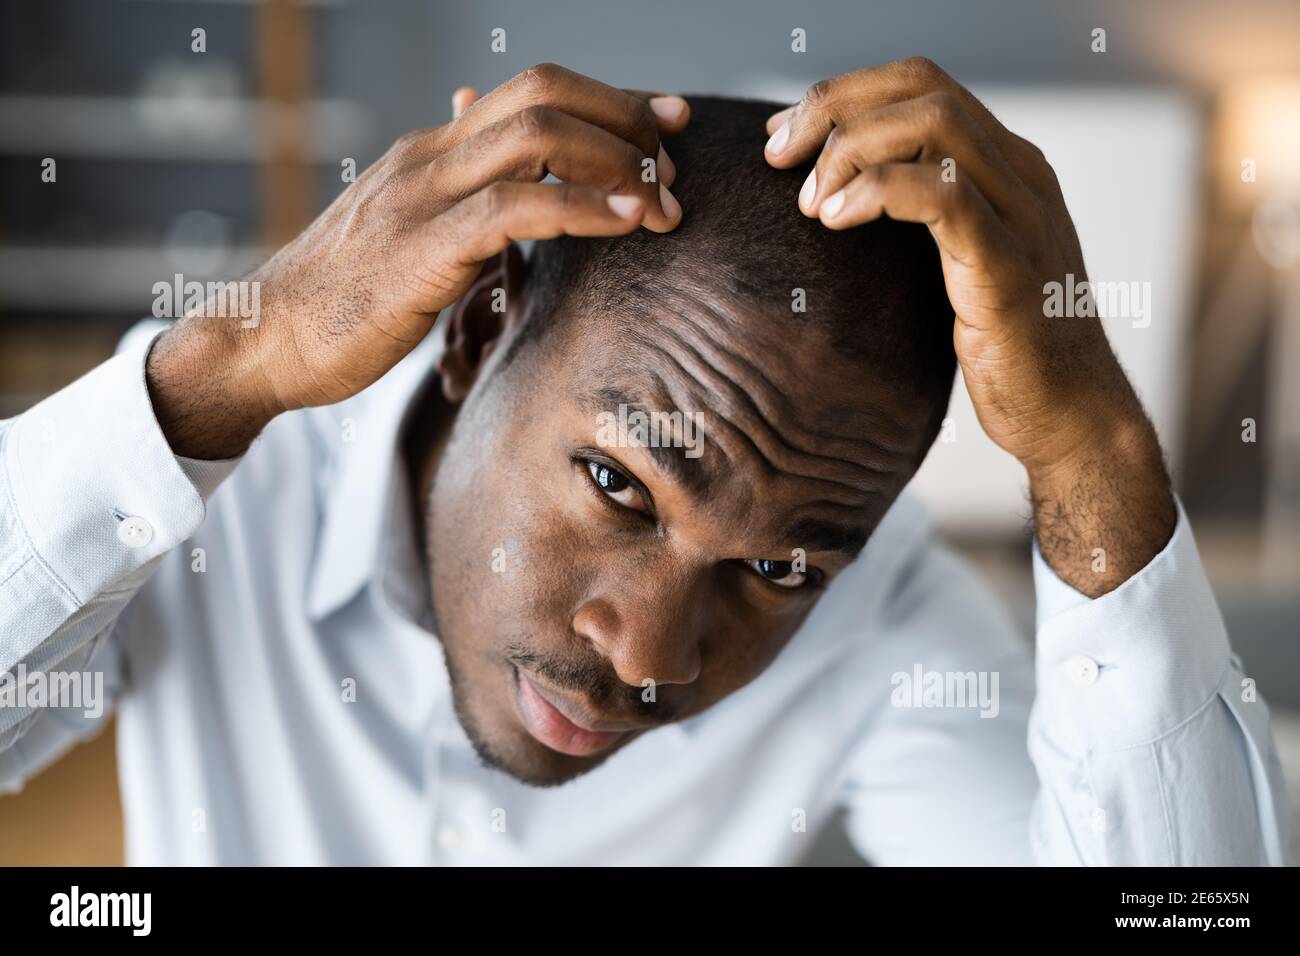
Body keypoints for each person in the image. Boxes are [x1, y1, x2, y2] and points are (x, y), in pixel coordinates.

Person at [0, 60, 1286, 865]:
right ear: (481, 328)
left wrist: (1095, 449)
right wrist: (232, 364)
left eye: (779, 565)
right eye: (620, 484)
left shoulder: (890, 619)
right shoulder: (218, 466)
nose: (649, 655)